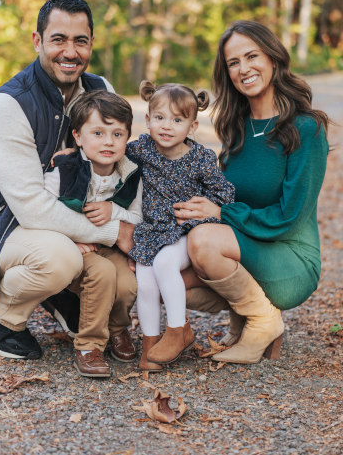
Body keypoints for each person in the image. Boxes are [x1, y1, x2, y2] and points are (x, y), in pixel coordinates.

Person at [0, 0, 136, 362]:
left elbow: (124, 160)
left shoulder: (100, 89)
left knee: (121, 275)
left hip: (75, 213)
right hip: (4, 226)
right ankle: (5, 313)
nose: (70, 51)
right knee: (61, 261)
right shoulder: (9, 104)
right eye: (58, 39)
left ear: (90, 44)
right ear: (38, 41)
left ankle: (62, 295)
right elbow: (32, 209)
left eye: (80, 41)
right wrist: (114, 232)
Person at [174, 20, 330, 364]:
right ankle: (242, 315)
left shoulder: (306, 128)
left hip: (290, 257)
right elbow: (226, 196)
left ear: (273, 58)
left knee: (204, 242)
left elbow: (289, 219)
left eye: (251, 56)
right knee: (167, 271)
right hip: (248, 246)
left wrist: (219, 214)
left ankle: (262, 322)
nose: (243, 69)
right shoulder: (237, 128)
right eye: (233, 62)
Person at [126, 81, 235, 372]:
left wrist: (207, 207)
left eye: (177, 120)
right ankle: (150, 345)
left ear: (192, 126)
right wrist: (73, 155)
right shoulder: (142, 149)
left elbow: (224, 194)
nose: (166, 126)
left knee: (164, 264)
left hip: (185, 230)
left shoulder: (201, 158)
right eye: (159, 118)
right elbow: (109, 154)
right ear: (148, 120)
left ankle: (179, 331)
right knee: (145, 285)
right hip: (152, 232)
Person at [44, 91, 142, 377]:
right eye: (97, 132)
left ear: (127, 138)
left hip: (111, 245)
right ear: (78, 135)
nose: (108, 142)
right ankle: (88, 344)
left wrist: (114, 211)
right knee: (101, 274)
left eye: (117, 134)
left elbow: (136, 218)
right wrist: (72, 239)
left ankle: (117, 329)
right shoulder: (64, 170)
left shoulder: (132, 174)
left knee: (126, 282)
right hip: (76, 247)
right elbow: (43, 211)